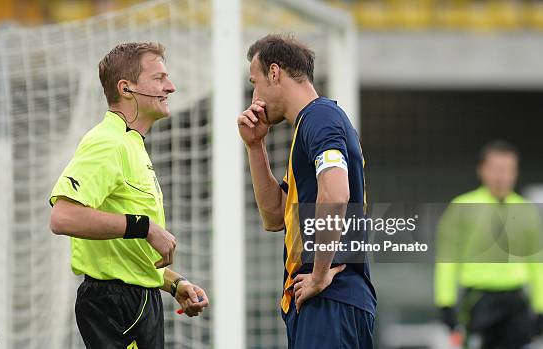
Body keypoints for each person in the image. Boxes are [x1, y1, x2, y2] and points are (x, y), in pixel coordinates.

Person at [48, 42, 209, 349]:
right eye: (159, 78)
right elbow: (63, 216)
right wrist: (144, 226)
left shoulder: (132, 145)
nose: (171, 87)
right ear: (126, 88)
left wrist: (174, 284)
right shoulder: (108, 142)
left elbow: (121, 258)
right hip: (115, 304)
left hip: (137, 299)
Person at [238, 34, 376, 348]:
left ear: (274, 73)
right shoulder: (310, 125)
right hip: (325, 301)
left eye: (254, 82)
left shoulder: (320, 117)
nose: (254, 95)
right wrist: (254, 146)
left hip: (331, 297)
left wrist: (318, 273)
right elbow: (275, 216)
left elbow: (336, 193)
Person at [435, 141, 543, 349]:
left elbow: (537, 262)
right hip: (478, 300)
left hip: (516, 300)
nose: (502, 176)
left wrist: (540, 306)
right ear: (482, 170)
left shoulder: (526, 210)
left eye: (508, 170)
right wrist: (445, 302)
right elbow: (447, 258)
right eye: (496, 169)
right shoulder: (462, 207)